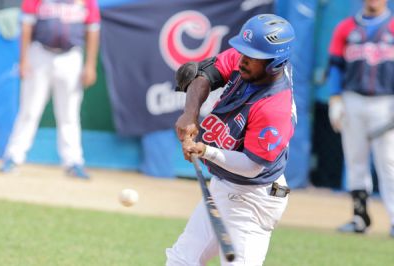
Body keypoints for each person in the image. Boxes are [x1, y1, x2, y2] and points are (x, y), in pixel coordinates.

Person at [166, 14, 296, 265]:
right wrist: (190, 114)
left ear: (275, 63)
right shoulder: (250, 63)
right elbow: (203, 73)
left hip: (254, 198)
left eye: (251, 56)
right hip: (226, 184)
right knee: (181, 260)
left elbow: (252, 166)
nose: (242, 60)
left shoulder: (274, 107)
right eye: (243, 52)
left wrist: (205, 151)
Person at [0, 0, 101, 179]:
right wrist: (23, 60)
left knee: (69, 114)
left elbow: (92, 30)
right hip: (40, 54)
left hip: (71, 56)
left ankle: (73, 161)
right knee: (29, 111)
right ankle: (14, 157)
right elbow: (27, 26)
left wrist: (90, 64)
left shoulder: (87, 1)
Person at [328, 0, 394, 237]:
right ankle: (360, 218)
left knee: (389, 162)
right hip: (352, 98)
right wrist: (335, 97)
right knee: (355, 159)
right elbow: (335, 65)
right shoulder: (346, 27)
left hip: (386, 101)